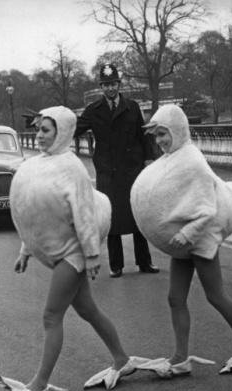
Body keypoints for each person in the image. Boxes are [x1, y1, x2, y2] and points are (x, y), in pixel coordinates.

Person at [0, 106, 147, 391]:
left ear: (61, 132)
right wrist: (26, 249)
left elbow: (85, 215)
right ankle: (122, 359)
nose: (38, 136)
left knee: (51, 316)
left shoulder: (72, 167)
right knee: (88, 310)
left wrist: (91, 255)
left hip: (73, 253)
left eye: (46, 130)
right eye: (38, 130)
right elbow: (35, 214)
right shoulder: (37, 164)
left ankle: (39, 384)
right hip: (62, 250)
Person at [130, 104, 232, 378]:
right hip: (182, 242)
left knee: (215, 296)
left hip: (200, 238)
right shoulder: (172, 159)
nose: (159, 141)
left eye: (163, 134)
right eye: (156, 136)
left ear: (177, 130)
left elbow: (207, 209)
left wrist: (185, 234)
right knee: (175, 298)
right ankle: (181, 357)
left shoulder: (192, 160)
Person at [74, 63, 159, 277]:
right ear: (101, 87)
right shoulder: (93, 111)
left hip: (132, 170)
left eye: (113, 84)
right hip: (108, 172)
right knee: (110, 217)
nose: (110, 89)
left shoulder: (133, 107)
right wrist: (50, 124)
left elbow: (143, 136)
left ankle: (144, 262)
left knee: (137, 215)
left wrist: (149, 159)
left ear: (119, 84)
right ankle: (116, 265)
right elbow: (74, 128)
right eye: (105, 85)